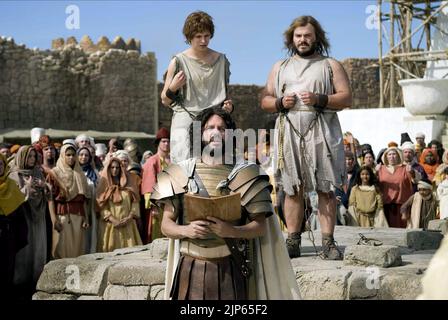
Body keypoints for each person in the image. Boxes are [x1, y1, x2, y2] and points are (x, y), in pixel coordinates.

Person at [151, 107, 300, 300]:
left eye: (221, 129)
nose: (215, 132)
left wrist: (232, 231)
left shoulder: (246, 174)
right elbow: (166, 224)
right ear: (199, 132)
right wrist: (186, 231)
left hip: (230, 268)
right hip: (189, 268)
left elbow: (260, 226)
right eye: (209, 127)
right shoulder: (179, 173)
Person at [260, 15, 352, 259]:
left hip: (321, 127)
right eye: (298, 36)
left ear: (316, 37)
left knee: (325, 188)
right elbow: (265, 100)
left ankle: (328, 242)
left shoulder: (330, 65)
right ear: (292, 38)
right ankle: (293, 240)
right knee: (292, 188)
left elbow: (346, 98)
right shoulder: (280, 67)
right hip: (289, 128)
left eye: (307, 35)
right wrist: (280, 102)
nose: (303, 40)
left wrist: (320, 99)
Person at [161, 11, 234, 163]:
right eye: (198, 36)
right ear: (189, 37)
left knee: (217, 168)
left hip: (213, 119)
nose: (203, 41)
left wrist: (227, 107)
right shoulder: (178, 61)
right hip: (186, 118)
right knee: (184, 169)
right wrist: (173, 87)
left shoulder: (222, 60)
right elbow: (165, 100)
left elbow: (225, 94)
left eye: (206, 36)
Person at [8, 146, 51, 289]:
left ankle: (37, 281)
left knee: (38, 248)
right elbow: (12, 199)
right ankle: (21, 283)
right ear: (22, 157)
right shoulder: (14, 175)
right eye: (29, 156)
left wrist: (44, 187)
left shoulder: (38, 172)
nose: (32, 160)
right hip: (23, 217)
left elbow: (49, 196)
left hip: (39, 218)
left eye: (34, 156)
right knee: (24, 250)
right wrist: (26, 188)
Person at [50, 144, 90, 258]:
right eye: (68, 155)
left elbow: (84, 200)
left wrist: (86, 218)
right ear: (62, 155)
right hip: (62, 215)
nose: (71, 158)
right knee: (62, 248)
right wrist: (54, 220)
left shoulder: (80, 174)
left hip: (78, 216)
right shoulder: (55, 173)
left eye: (73, 155)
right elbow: (51, 199)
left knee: (78, 249)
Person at [96, 158, 142, 252]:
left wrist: (130, 217)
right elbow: (100, 206)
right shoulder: (104, 185)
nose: (115, 170)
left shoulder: (129, 184)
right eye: (112, 167)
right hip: (111, 226)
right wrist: (113, 219)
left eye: (117, 167)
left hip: (128, 224)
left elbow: (135, 202)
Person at [0, 154, 29, 300]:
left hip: (7, 235)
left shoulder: (11, 186)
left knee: (6, 271)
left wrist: (19, 239)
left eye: (0, 164)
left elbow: (20, 215)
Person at [141, 127, 171, 244]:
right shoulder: (152, 161)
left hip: (173, 202)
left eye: (168, 141)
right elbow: (148, 186)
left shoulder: (173, 160)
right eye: (163, 141)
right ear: (158, 143)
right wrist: (153, 206)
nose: (166, 144)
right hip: (158, 205)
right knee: (157, 235)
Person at [376, 147, 415, 228]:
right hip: (385, 206)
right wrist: (375, 172)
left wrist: (412, 172)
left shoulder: (405, 168)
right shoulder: (380, 169)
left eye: (394, 154)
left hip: (402, 207)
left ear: (398, 155)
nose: (392, 156)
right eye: (389, 154)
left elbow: (416, 180)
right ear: (386, 156)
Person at [77, 147, 99, 253]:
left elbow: (98, 189)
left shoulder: (94, 173)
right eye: (81, 155)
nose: (83, 157)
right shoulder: (74, 172)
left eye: (86, 155)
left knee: (91, 233)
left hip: (91, 208)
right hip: (79, 208)